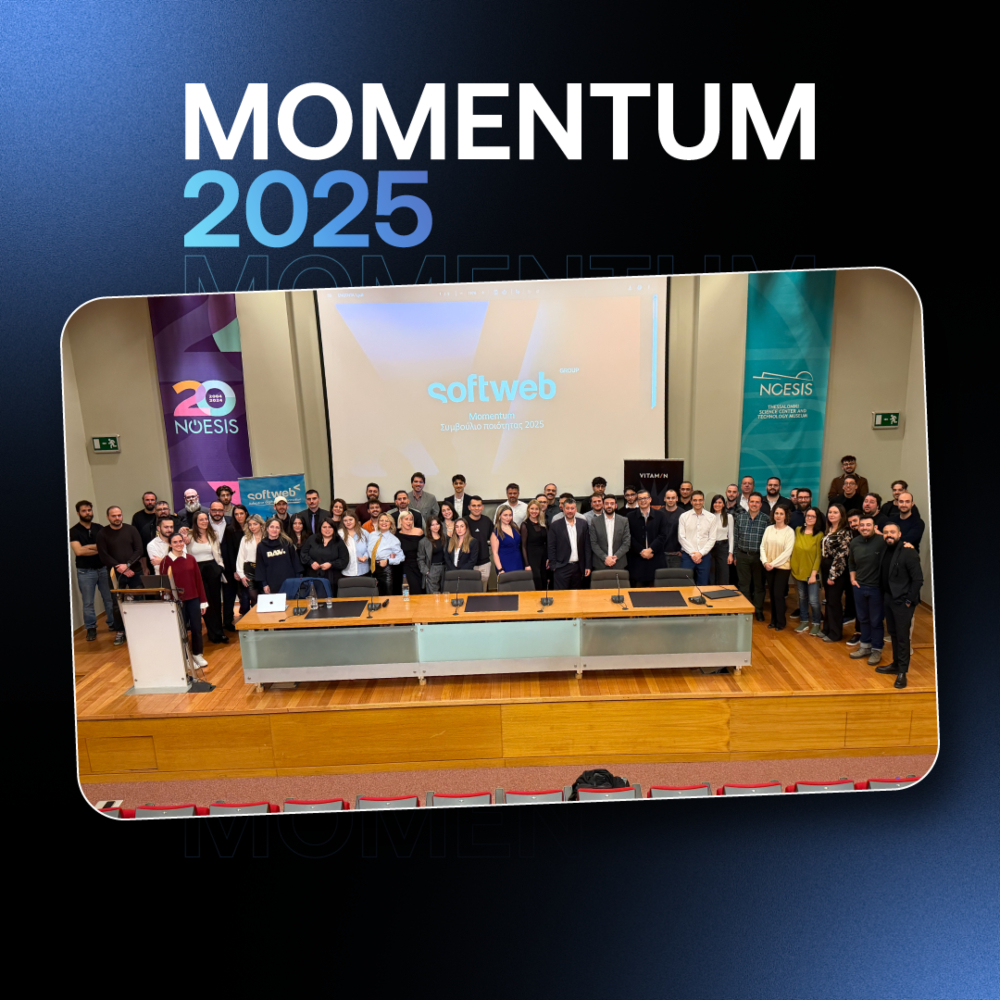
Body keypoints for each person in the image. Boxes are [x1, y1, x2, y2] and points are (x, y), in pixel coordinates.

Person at [875, 521, 924, 688]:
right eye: (886, 532)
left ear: (899, 534)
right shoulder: (884, 549)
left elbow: (918, 580)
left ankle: (903, 672)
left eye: (892, 532)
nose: (889, 535)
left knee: (903, 637)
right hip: (889, 598)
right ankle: (895, 664)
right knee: (894, 634)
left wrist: (909, 600)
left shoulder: (909, 552)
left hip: (903, 602)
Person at [96, 505, 145, 645]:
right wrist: (121, 568)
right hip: (115, 573)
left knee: (139, 599)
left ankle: (140, 628)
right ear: (108, 517)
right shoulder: (102, 533)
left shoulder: (131, 530)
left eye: (119, 515)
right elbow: (104, 556)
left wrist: (127, 564)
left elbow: (139, 550)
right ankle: (120, 631)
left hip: (135, 571)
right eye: (114, 516)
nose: (117, 518)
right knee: (117, 603)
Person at [160, 531, 209, 669]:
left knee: (197, 628)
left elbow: (198, 581)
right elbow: (164, 584)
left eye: (180, 541)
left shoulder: (191, 559)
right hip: (177, 601)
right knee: (182, 630)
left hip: (193, 599)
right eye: (175, 542)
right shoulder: (166, 561)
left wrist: (203, 601)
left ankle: (197, 654)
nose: (178, 544)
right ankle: (185, 657)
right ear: (170, 544)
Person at [71, 500, 116, 642]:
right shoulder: (74, 531)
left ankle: (113, 623)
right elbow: (79, 551)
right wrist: (98, 548)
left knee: (109, 599)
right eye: (84, 511)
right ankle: (91, 628)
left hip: (103, 569)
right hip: (85, 572)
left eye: (89, 510)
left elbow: (106, 548)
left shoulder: (100, 529)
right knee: (88, 602)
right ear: (78, 513)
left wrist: (90, 547)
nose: (87, 513)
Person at [848, 514, 888, 665]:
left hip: (876, 588)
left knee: (876, 620)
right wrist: (853, 579)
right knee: (863, 619)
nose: (865, 528)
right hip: (859, 587)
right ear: (858, 527)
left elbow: (898, 545)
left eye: (868, 525)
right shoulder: (855, 542)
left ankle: (877, 650)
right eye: (862, 525)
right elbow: (851, 563)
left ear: (875, 527)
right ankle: (865, 646)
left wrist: (908, 545)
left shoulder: (882, 541)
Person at [186, 510, 227, 644]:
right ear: (195, 522)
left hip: (213, 569)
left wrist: (220, 567)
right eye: (201, 519)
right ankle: (213, 633)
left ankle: (219, 632)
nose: (204, 522)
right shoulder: (189, 536)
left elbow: (217, 552)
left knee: (216, 601)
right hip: (197, 571)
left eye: (205, 519)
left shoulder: (213, 534)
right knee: (205, 602)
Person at [819, 504, 852, 643]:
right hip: (825, 566)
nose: (831, 514)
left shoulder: (845, 532)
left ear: (841, 515)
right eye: (830, 512)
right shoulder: (829, 529)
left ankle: (835, 633)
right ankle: (827, 628)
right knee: (828, 599)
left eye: (835, 512)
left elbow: (842, 555)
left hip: (836, 569)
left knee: (834, 601)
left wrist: (833, 575)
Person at [791, 507, 826, 635]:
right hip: (798, 571)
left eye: (813, 516)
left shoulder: (819, 535)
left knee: (814, 600)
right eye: (808, 516)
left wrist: (813, 574)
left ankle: (816, 623)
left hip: (812, 573)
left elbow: (818, 557)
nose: (810, 518)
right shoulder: (798, 530)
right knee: (802, 598)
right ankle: (804, 621)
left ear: (817, 519)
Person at [734, 493, 769, 621]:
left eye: (757, 502)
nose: (754, 504)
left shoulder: (766, 519)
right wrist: (735, 555)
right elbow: (736, 537)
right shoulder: (740, 517)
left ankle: (758, 610)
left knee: (759, 585)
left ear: (761, 504)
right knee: (743, 585)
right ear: (748, 503)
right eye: (752, 501)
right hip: (742, 555)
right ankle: (745, 610)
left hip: (759, 557)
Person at [760, 503, 795, 630]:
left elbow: (787, 552)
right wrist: (765, 562)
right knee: (772, 594)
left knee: (778, 594)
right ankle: (773, 620)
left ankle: (781, 622)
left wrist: (773, 564)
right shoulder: (769, 529)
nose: (778, 516)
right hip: (768, 566)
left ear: (786, 515)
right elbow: (762, 546)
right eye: (776, 513)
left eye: (781, 514)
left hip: (782, 567)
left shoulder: (789, 532)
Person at [547, 498, 591, 590]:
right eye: (567, 508)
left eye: (572, 508)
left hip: (578, 567)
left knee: (576, 595)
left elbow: (586, 546)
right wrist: (553, 565)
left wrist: (587, 565)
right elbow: (551, 546)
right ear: (563, 509)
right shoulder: (555, 525)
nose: (570, 511)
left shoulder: (583, 524)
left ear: (576, 509)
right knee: (561, 596)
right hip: (561, 567)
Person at [626, 489, 667, 587]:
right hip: (637, 560)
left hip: (656, 558)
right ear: (637, 501)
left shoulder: (661, 515)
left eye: (645, 498)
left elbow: (663, 535)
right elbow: (628, 536)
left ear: (650, 499)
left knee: (656, 591)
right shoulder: (630, 517)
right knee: (637, 592)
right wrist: (641, 551)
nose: (643, 501)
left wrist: (651, 549)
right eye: (640, 499)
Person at [301, 516, 350, 594]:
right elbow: (303, 553)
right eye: (324, 527)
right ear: (320, 528)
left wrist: (331, 564)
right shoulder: (312, 539)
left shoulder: (339, 542)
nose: (327, 530)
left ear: (334, 528)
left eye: (330, 527)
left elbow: (344, 560)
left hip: (332, 579)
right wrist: (311, 562)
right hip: (313, 577)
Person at [677, 491, 716, 585]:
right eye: (695, 500)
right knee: (685, 584)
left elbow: (712, 538)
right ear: (691, 501)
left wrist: (700, 553)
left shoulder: (711, 517)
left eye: (700, 500)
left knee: (703, 584)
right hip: (688, 556)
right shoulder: (684, 516)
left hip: (704, 556)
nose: (697, 502)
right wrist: (693, 554)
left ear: (703, 501)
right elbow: (681, 537)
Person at [589, 494, 630, 583]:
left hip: (619, 563)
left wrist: (615, 557)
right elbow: (593, 543)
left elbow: (626, 543)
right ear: (603, 505)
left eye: (612, 503)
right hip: (600, 564)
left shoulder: (624, 521)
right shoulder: (595, 521)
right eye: (607, 503)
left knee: (619, 589)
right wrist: (605, 558)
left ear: (616, 505)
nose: (609, 506)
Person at [220, 504, 250, 624]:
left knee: (248, 595)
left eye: (241, 513)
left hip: (249, 566)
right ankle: (228, 622)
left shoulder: (251, 527)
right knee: (231, 595)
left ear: (246, 514)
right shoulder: (230, 529)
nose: (239, 516)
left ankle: (250, 620)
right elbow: (229, 552)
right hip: (234, 567)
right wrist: (235, 570)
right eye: (236, 514)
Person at [255, 516, 299, 596]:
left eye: (277, 527)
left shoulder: (287, 543)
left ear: (280, 530)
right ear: (267, 528)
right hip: (271, 584)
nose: (274, 530)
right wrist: (264, 584)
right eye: (272, 527)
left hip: (289, 581)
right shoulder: (261, 546)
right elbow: (260, 567)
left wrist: (297, 580)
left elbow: (295, 562)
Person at [366, 512, 404, 596]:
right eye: (382, 520)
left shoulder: (394, 540)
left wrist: (388, 561)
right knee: (373, 596)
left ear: (391, 524)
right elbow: (367, 549)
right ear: (378, 522)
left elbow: (401, 557)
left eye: (387, 521)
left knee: (386, 596)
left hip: (385, 571)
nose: (384, 523)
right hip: (371, 569)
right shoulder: (371, 535)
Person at [236, 514, 266, 606]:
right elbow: (240, 557)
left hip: (264, 570)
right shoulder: (245, 539)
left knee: (265, 596)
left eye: (255, 524)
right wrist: (241, 575)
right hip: (250, 571)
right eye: (250, 524)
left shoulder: (267, 538)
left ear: (261, 524)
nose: (252, 527)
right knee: (253, 597)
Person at [520, 500, 549, 590]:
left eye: (536, 509)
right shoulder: (525, 525)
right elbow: (523, 546)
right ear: (528, 510)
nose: (534, 511)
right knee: (536, 581)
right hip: (532, 557)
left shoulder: (543, 523)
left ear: (540, 510)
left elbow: (548, 542)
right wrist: (527, 564)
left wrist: (549, 557)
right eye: (532, 509)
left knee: (544, 579)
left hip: (543, 556)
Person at [464, 496, 492, 588]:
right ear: (469, 507)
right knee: (470, 590)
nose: (476, 508)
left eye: (479, 505)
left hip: (485, 562)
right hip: (468, 563)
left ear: (482, 507)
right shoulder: (463, 522)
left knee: (483, 590)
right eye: (474, 506)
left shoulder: (487, 521)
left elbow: (493, 539)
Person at [395, 510, 425, 594]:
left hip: (419, 565)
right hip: (404, 567)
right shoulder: (397, 536)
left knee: (420, 590)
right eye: (406, 519)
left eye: (411, 519)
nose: (409, 522)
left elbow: (425, 548)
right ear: (400, 521)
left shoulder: (419, 532)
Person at [707, 495, 735, 586]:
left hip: (723, 547)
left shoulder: (728, 516)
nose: (717, 504)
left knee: (723, 574)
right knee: (711, 574)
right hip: (710, 548)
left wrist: (730, 554)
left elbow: (731, 536)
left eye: (720, 502)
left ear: (723, 504)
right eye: (715, 502)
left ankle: (723, 593)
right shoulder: (708, 516)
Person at [491, 505, 525, 576]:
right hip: (505, 562)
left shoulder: (515, 527)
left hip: (518, 561)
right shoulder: (496, 532)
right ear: (499, 516)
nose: (508, 518)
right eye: (505, 515)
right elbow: (495, 553)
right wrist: (500, 569)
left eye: (510, 515)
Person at [418, 515, 448, 593]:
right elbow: (420, 559)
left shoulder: (445, 538)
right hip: (432, 569)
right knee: (434, 595)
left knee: (445, 593)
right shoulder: (423, 542)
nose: (435, 527)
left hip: (445, 568)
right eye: (433, 525)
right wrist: (426, 571)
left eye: (437, 524)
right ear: (429, 527)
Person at [338, 513, 370, 580]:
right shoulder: (339, 534)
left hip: (363, 570)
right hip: (346, 571)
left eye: (350, 519)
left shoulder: (364, 533)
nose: (348, 522)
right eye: (345, 520)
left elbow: (370, 548)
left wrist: (365, 556)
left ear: (355, 520)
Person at [659, 489, 683, 569]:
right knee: (661, 576)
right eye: (668, 498)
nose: (670, 500)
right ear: (664, 499)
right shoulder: (658, 514)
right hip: (661, 554)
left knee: (675, 576)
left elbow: (687, 534)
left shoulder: (683, 514)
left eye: (673, 498)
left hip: (677, 555)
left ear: (677, 499)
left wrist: (682, 550)